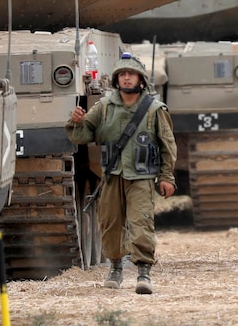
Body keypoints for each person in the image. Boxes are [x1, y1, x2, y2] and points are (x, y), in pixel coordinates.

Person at [65, 53, 178, 294]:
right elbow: (83, 136)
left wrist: (167, 177)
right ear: (117, 79)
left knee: (141, 223)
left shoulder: (154, 109)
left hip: (141, 176)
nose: (127, 78)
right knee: (111, 224)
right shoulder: (104, 107)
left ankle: (143, 273)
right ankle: (115, 268)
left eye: (131, 74)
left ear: (141, 79)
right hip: (112, 175)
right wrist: (76, 122)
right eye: (123, 74)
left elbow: (168, 144)